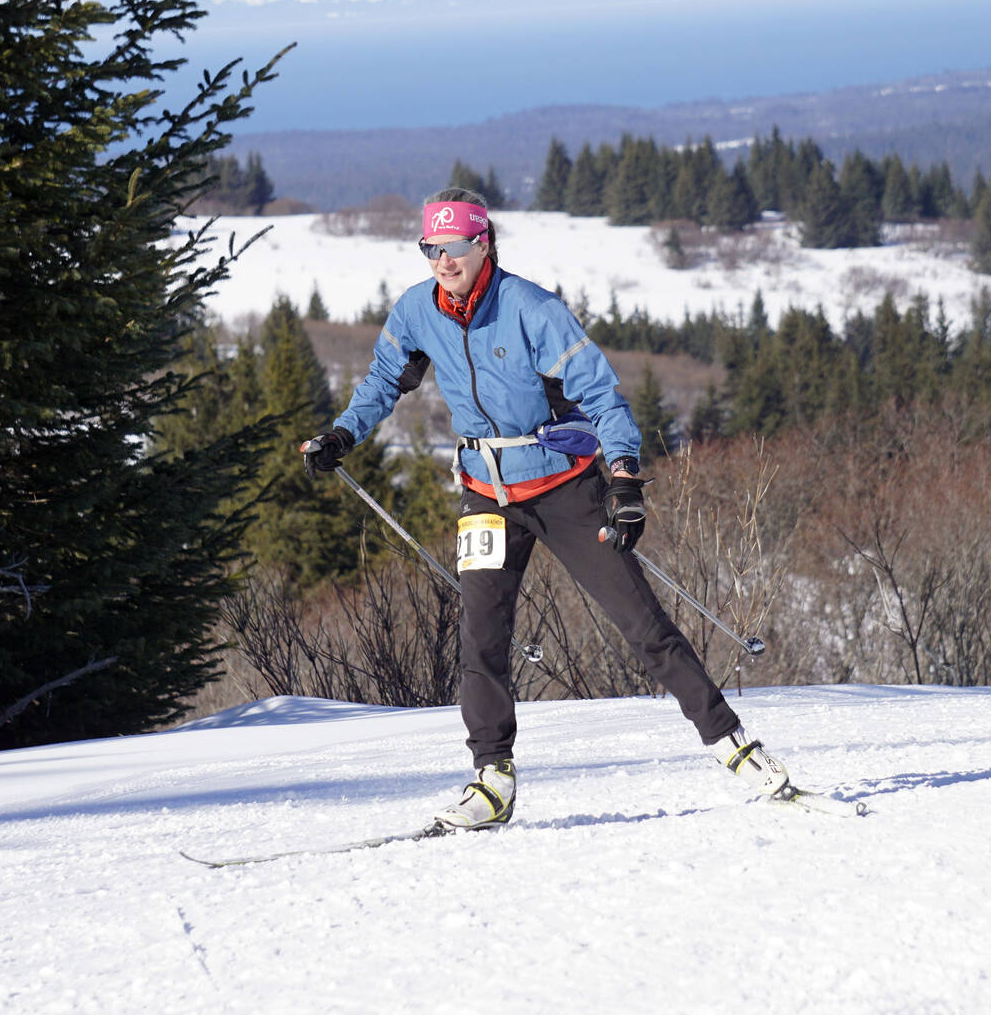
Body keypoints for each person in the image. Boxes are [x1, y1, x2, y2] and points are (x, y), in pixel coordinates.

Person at [299, 188, 795, 831]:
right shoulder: (417, 312)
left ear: (483, 243)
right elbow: (383, 381)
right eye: (430, 248)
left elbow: (601, 394)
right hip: (487, 494)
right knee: (481, 637)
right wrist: (342, 434)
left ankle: (734, 747)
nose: (441, 261)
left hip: (563, 487)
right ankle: (492, 779)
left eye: (452, 247)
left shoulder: (532, 309)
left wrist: (622, 479)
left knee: (641, 624)